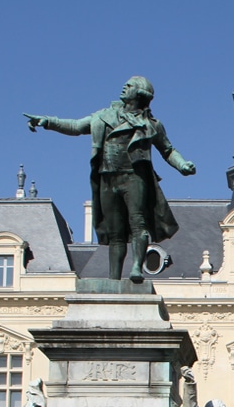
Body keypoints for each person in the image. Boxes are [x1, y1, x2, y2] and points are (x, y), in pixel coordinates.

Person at [24, 76, 196, 282]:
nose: (125, 87)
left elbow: (168, 150)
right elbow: (76, 126)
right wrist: (48, 122)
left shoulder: (151, 125)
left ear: (141, 93)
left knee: (138, 223)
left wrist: (182, 165)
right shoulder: (104, 117)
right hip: (108, 177)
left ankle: (135, 269)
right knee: (116, 233)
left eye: (130, 86)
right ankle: (114, 279)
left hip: (134, 177)